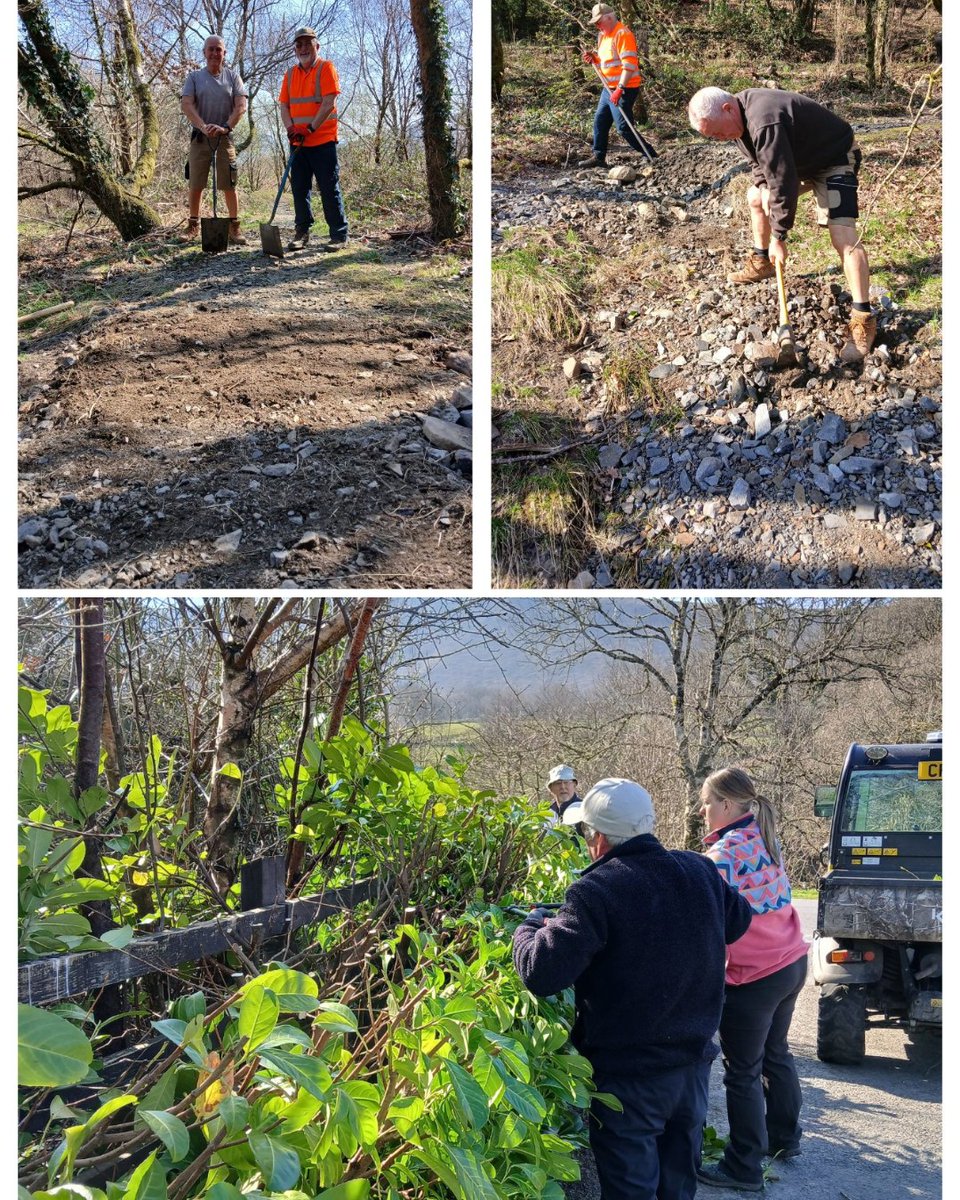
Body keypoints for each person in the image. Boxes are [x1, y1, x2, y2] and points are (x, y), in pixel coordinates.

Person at [513, 778, 752, 1200]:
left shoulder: (595, 891)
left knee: (630, 1191)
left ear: (598, 838)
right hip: (692, 1070)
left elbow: (541, 972)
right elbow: (739, 920)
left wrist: (530, 926)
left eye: (586, 832)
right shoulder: (698, 869)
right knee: (678, 1187)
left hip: (628, 1081)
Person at [687, 85, 877, 359]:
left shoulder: (764, 119)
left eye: (716, 132)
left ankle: (863, 319)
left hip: (834, 158)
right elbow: (759, 163)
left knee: (843, 235)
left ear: (727, 108)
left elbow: (784, 183)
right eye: (712, 136)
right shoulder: (737, 121)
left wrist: (780, 237)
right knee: (756, 197)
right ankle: (762, 262)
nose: (719, 139)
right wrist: (762, 186)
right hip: (799, 161)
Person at [696, 767, 809, 1193]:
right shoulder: (765, 837)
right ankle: (784, 1139)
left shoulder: (722, 857)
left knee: (742, 1071)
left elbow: (709, 928)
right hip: (791, 962)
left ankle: (743, 1166)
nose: (702, 810)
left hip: (755, 977)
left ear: (726, 804)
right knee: (776, 1054)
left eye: (707, 802)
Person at [279, 26, 349, 252]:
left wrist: (309, 128)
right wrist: (291, 129)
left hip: (322, 141)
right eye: (299, 44)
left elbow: (329, 103)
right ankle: (302, 232)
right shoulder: (289, 74)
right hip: (297, 143)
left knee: (329, 187)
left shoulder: (326, 68)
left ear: (316, 46)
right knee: (300, 188)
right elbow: (284, 106)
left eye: (308, 43)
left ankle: (338, 235)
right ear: (295, 50)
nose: (303, 48)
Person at [180, 35, 248, 245]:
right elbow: (186, 105)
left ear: (224, 53)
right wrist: (203, 125)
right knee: (196, 182)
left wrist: (225, 127)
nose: (214, 53)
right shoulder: (193, 77)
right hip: (200, 138)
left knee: (229, 182)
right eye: (211, 49)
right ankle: (193, 225)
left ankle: (234, 227)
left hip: (224, 137)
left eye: (218, 50)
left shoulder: (233, 77)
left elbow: (241, 106)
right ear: (204, 53)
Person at [579, 5, 654, 169]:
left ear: (609, 17)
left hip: (625, 88)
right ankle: (599, 156)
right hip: (609, 88)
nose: (597, 26)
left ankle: (651, 155)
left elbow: (629, 66)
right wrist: (594, 59)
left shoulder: (623, 34)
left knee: (623, 127)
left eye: (599, 22)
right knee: (600, 121)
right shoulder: (602, 36)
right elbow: (607, 61)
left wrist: (620, 89)